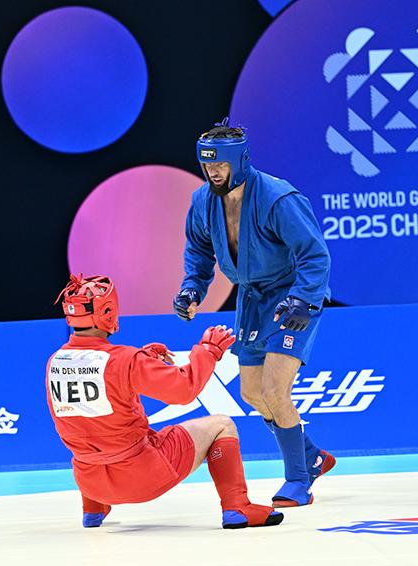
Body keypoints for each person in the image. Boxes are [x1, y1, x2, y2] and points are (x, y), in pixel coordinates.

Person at [173, 118, 334, 507]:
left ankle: (298, 480)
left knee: (275, 391)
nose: (213, 172)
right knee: (252, 393)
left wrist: (303, 299)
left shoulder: (278, 198)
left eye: (220, 164)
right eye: (207, 165)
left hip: (291, 297)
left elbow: (315, 255)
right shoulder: (202, 201)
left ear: (240, 160)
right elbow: (199, 250)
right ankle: (310, 456)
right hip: (251, 298)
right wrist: (193, 287)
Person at [46, 273, 284, 530]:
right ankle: (237, 506)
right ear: (108, 311)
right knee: (222, 425)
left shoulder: (55, 362)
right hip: (141, 477)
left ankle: (93, 511)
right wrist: (208, 352)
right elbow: (184, 390)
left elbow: (101, 389)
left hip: (90, 483)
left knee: (86, 428)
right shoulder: (125, 360)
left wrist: (143, 358)